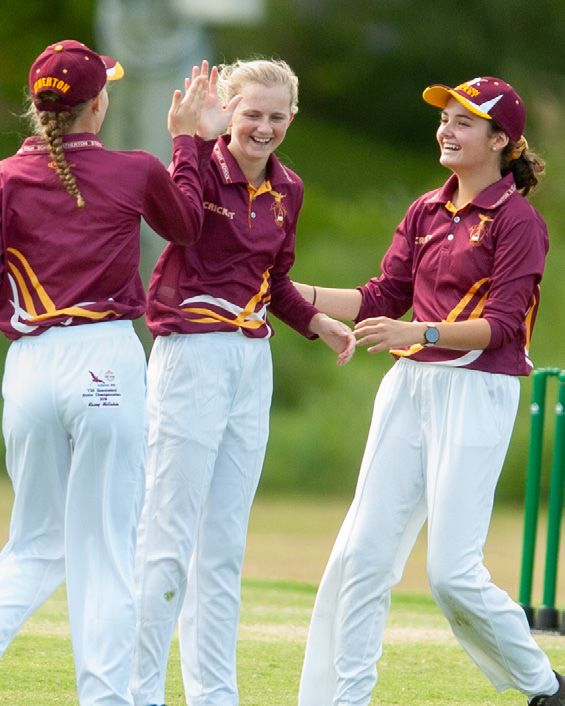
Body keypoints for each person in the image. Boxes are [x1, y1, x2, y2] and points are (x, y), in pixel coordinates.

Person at [295, 76, 564, 706]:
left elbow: (503, 327)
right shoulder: (425, 210)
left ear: (500, 141)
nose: (447, 129)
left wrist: (418, 331)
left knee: (451, 574)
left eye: (464, 121)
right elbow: (380, 296)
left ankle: (545, 686)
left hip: (477, 388)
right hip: (408, 387)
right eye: (445, 118)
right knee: (361, 556)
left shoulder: (518, 221)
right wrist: (288, 291)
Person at [130, 58, 355, 706]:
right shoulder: (197, 164)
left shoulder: (289, 189)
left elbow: (273, 278)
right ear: (227, 112)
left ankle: (214, 696)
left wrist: (314, 321)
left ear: (292, 118)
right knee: (167, 536)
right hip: (190, 355)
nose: (263, 127)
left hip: (250, 361)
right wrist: (188, 141)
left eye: (276, 116)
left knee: (223, 545)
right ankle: (137, 693)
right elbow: (181, 226)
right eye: (251, 113)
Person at [0, 39, 217, 705]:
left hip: (28, 366)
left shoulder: (5, 177)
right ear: (98, 105)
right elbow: (189, 227)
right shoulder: (134, 169)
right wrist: (188, 142)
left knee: (33, 547)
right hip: (103, 361)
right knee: (104, 552)